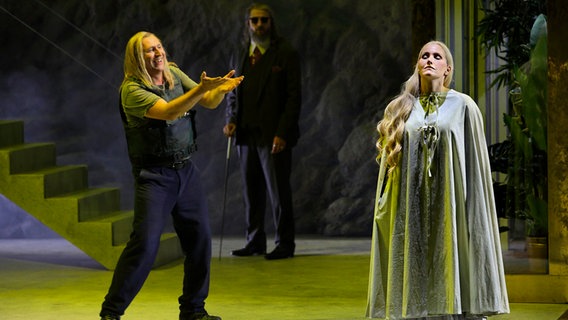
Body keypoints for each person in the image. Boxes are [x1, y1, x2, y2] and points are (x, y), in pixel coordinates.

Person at [99, 31, 243, 320]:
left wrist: (220, 89)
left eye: (159, 47)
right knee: (144, 246)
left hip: (186, 171)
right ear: (137, 58)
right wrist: (202, 89)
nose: (158, 54)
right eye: (149, 51)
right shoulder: (131, 91)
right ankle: (111, 313)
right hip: (154, 177)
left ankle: (193, 310)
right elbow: (168, 112)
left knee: (200, 241)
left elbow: (208, 102)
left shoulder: (174, 73)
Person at [366, 41, 510, 319]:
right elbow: (389, 169)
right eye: (424, 55)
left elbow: (474, 164)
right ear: (417, 66)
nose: (430, 60)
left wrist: (470, 206)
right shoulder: (400, 109)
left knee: (449, 247)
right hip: (411, 203)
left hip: (450, 200)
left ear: (448, 69)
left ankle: (456, 308)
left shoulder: (464, 106)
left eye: (437, 56)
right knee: (412, 250)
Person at [223, 3, 301, 260]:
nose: (259, 25)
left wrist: (283, 133)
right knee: (251, 191)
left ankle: (284, 244)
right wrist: (231, 119)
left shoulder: (285, 53)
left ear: (271, 23)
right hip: (245, 135)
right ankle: (254, 241)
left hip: (274, 137)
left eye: (263, 20)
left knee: (278, 192)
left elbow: (293, 98)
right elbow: (231, 93)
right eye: (254, 21)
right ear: (248, 24)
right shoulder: (239, 53)